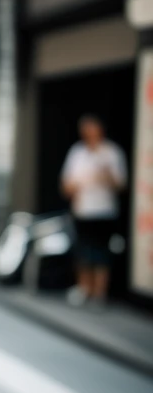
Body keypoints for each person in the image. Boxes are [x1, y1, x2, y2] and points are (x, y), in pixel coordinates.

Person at [60, 114, 127, 306]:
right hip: (82, 210)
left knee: (102, 253)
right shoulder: (77, 152)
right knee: (82, 252)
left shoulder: (111, 152)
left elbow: (121, 184)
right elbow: (66, 183)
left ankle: (99, 293)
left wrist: (105, 175)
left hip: (104, 211)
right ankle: (84, 289)